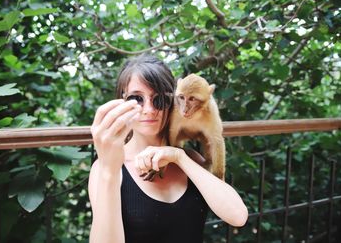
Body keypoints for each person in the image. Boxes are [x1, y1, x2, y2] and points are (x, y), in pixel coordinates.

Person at [88, 54, 248, 243]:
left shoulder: (188, 159)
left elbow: (237, 216)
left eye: (159, 100)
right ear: (122, 101)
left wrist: (179, 156)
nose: (149, 109)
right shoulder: (107, 168)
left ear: (172, 101)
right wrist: (110, 170)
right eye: (137, 98)